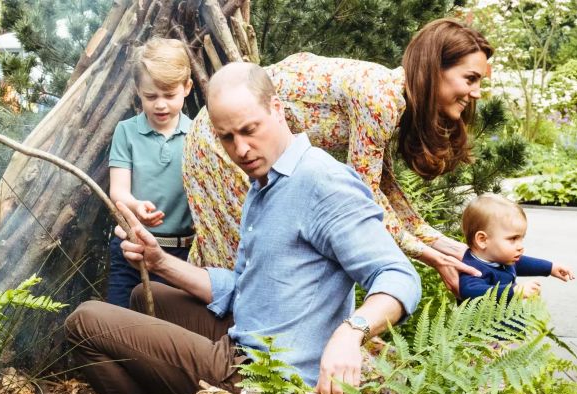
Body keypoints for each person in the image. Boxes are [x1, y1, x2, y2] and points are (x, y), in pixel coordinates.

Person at [66, 63, 421, 394]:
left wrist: (352, 332)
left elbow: (398, 276)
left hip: (266, 378)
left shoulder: (322, 182)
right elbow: (247, 287)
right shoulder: (265, 182)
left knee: (84, 321)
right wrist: (160, 262)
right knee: (144, 295)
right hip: (251, 335)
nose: (242, 149)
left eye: (250, 130)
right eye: (227, 137)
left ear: (278, 110)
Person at [183, 18, 493, 295]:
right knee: (246, 259)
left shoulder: (392, 97)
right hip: (220, 137)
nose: (477, 92)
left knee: (240, 255)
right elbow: (365, 196)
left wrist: (441, 243)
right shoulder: (380, 98)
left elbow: (384, 187)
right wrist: (427, 254)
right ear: (435, 69)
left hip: (235, 136)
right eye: (470, 78)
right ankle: (230, 352)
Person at [106, 38, 195, 308]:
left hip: (181, 253)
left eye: (169, 95)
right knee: (121, 325)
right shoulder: (127, 132)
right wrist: (135, 206)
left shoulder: (197, 136)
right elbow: (118, 191)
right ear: (138, 91)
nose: (160, 105)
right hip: (131, 247)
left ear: (187, 88)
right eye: (151, 96)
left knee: (168, 332)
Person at [458, 193, 574, 301]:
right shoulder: (473, 268)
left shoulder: (500, 258)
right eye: (513, 239)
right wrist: (514, 291)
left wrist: (550, 268)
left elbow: (520, 263)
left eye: (521, 238)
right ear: (482, 240)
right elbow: (470, 291)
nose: (520, 247)